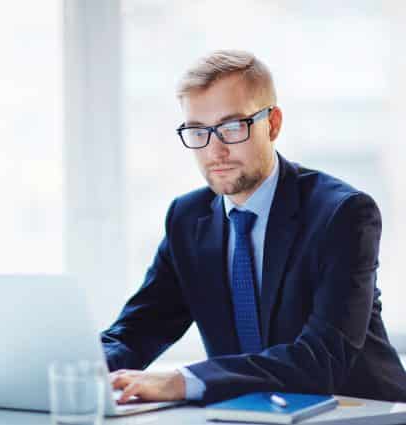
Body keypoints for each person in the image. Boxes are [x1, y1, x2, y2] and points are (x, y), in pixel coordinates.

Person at [102, 50, 406, 405]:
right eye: (198, 131)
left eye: (232, 127)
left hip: (360, 412)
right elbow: (139, 330)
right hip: (249, 413)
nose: (215, 151)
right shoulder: (188, 219)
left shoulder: (342, 214)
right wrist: (78, 366)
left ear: (272, 124)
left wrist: (183, 381)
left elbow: (322, 358)